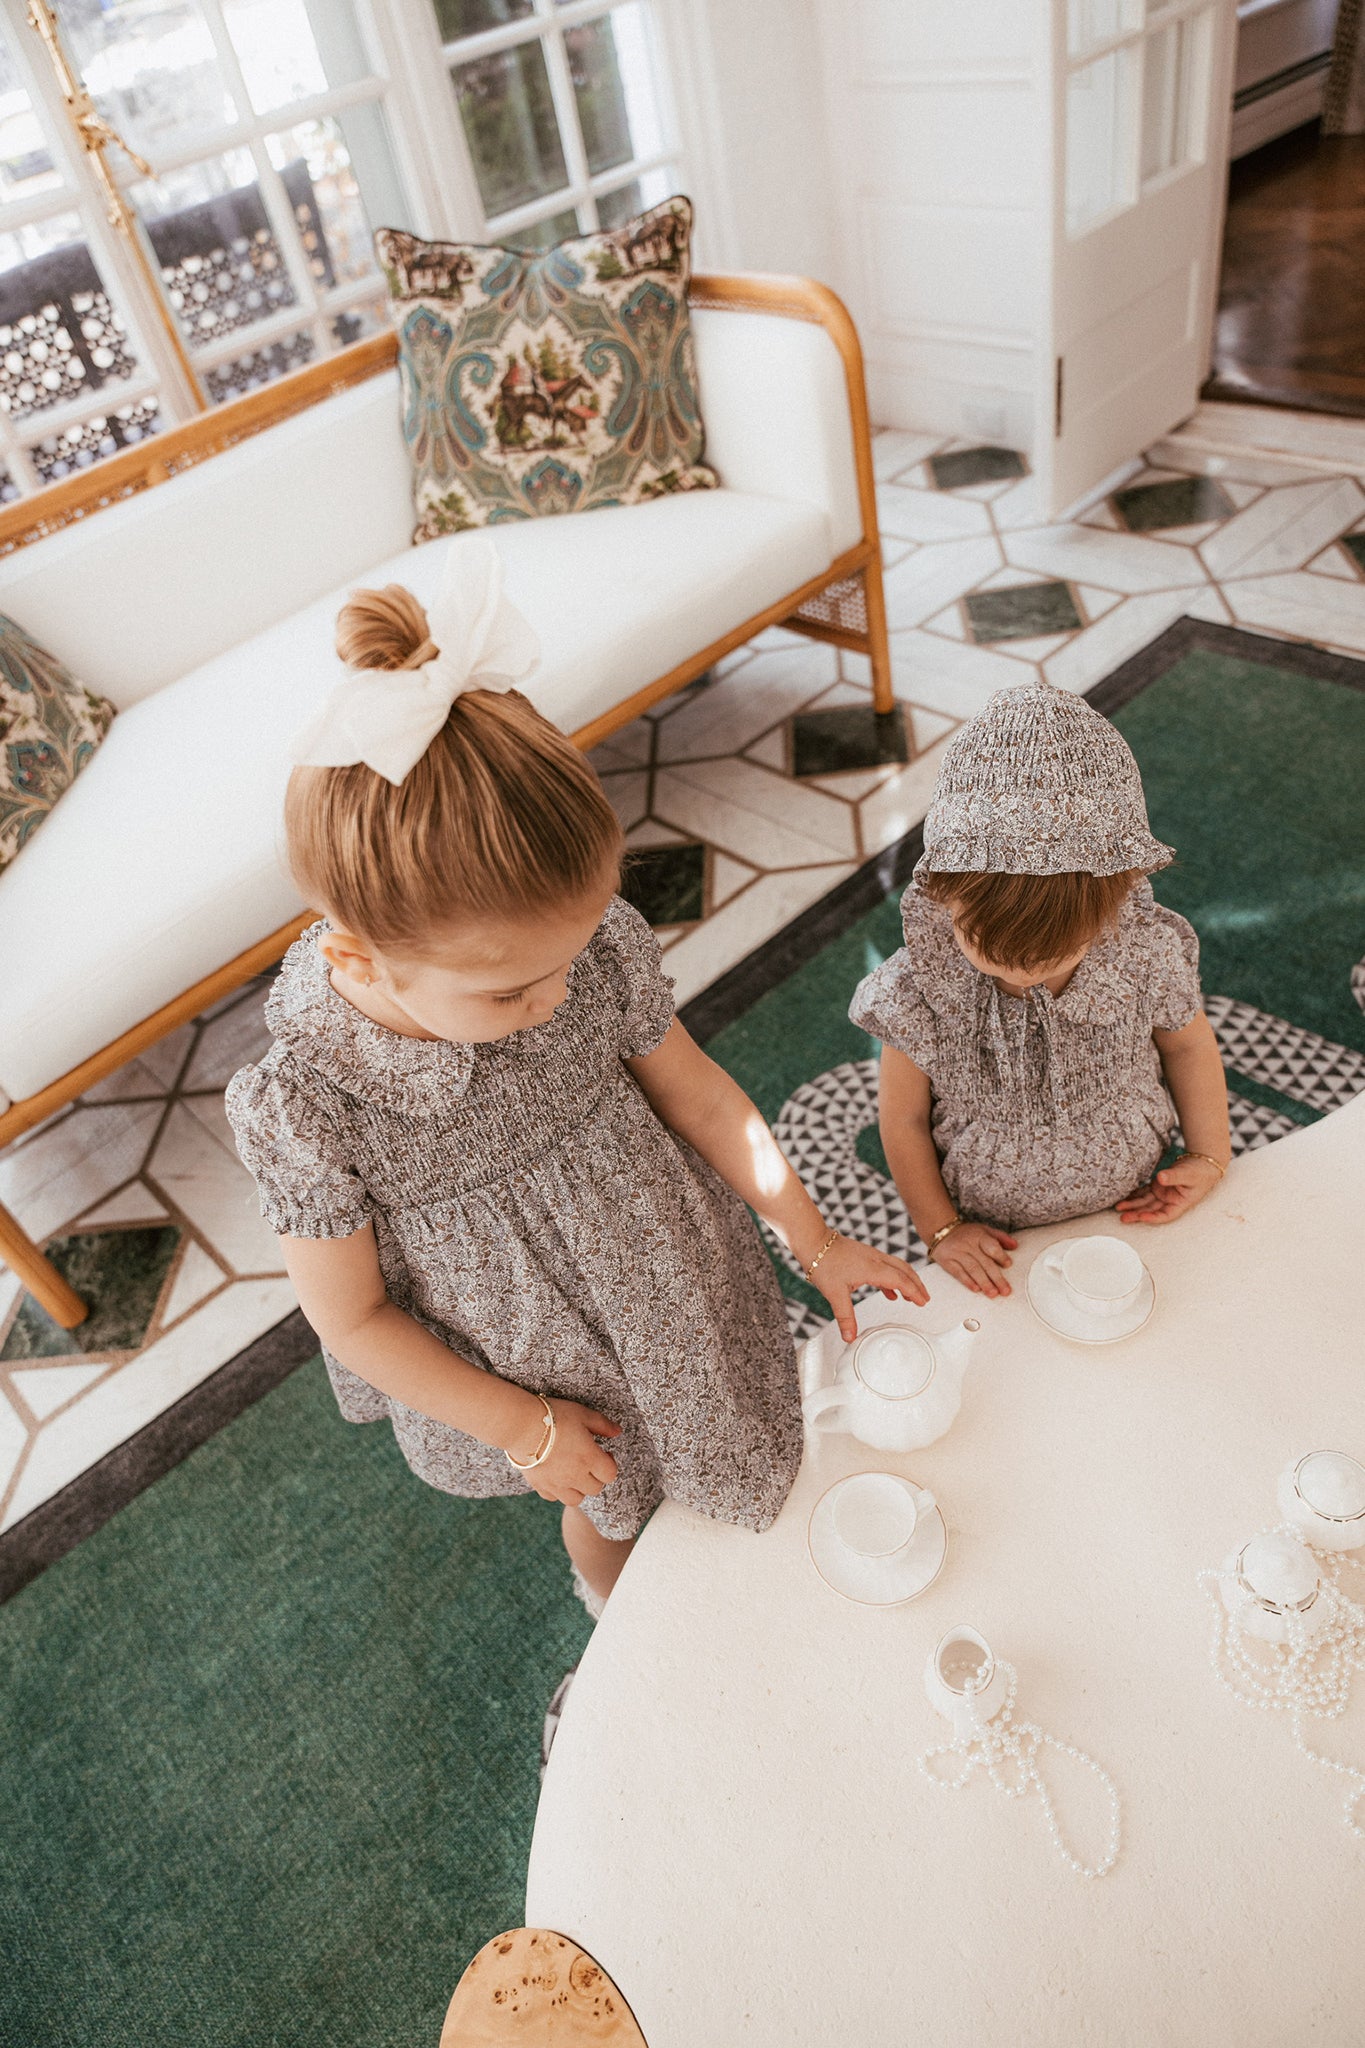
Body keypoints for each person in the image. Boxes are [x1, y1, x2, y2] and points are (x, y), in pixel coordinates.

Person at [227, 541, 924, 1613]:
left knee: (730, 1415)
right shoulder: (308, 1105)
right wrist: (524, 1424)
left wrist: (816, 1239)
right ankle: (620, 1622)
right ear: (359, 959)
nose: (554, 1001)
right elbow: (352, 1316)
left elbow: (698, 1095)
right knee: (611, 1506)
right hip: (536, 1371)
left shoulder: (585, 953)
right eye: (508, 992)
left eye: (573, 955)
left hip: (672, 1276)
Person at [850, 682, 1230, 1301]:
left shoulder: (1143, 950)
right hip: (991, 1223)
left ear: (1111, 901)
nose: (1022, 974)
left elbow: (1187, 1047)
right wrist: (942, 1229)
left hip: (1135, 1188)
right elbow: (903, 1119)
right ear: (945, 892)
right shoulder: (919, 991)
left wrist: (1209, 1155)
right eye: (988, 949)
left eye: (1052, 953)